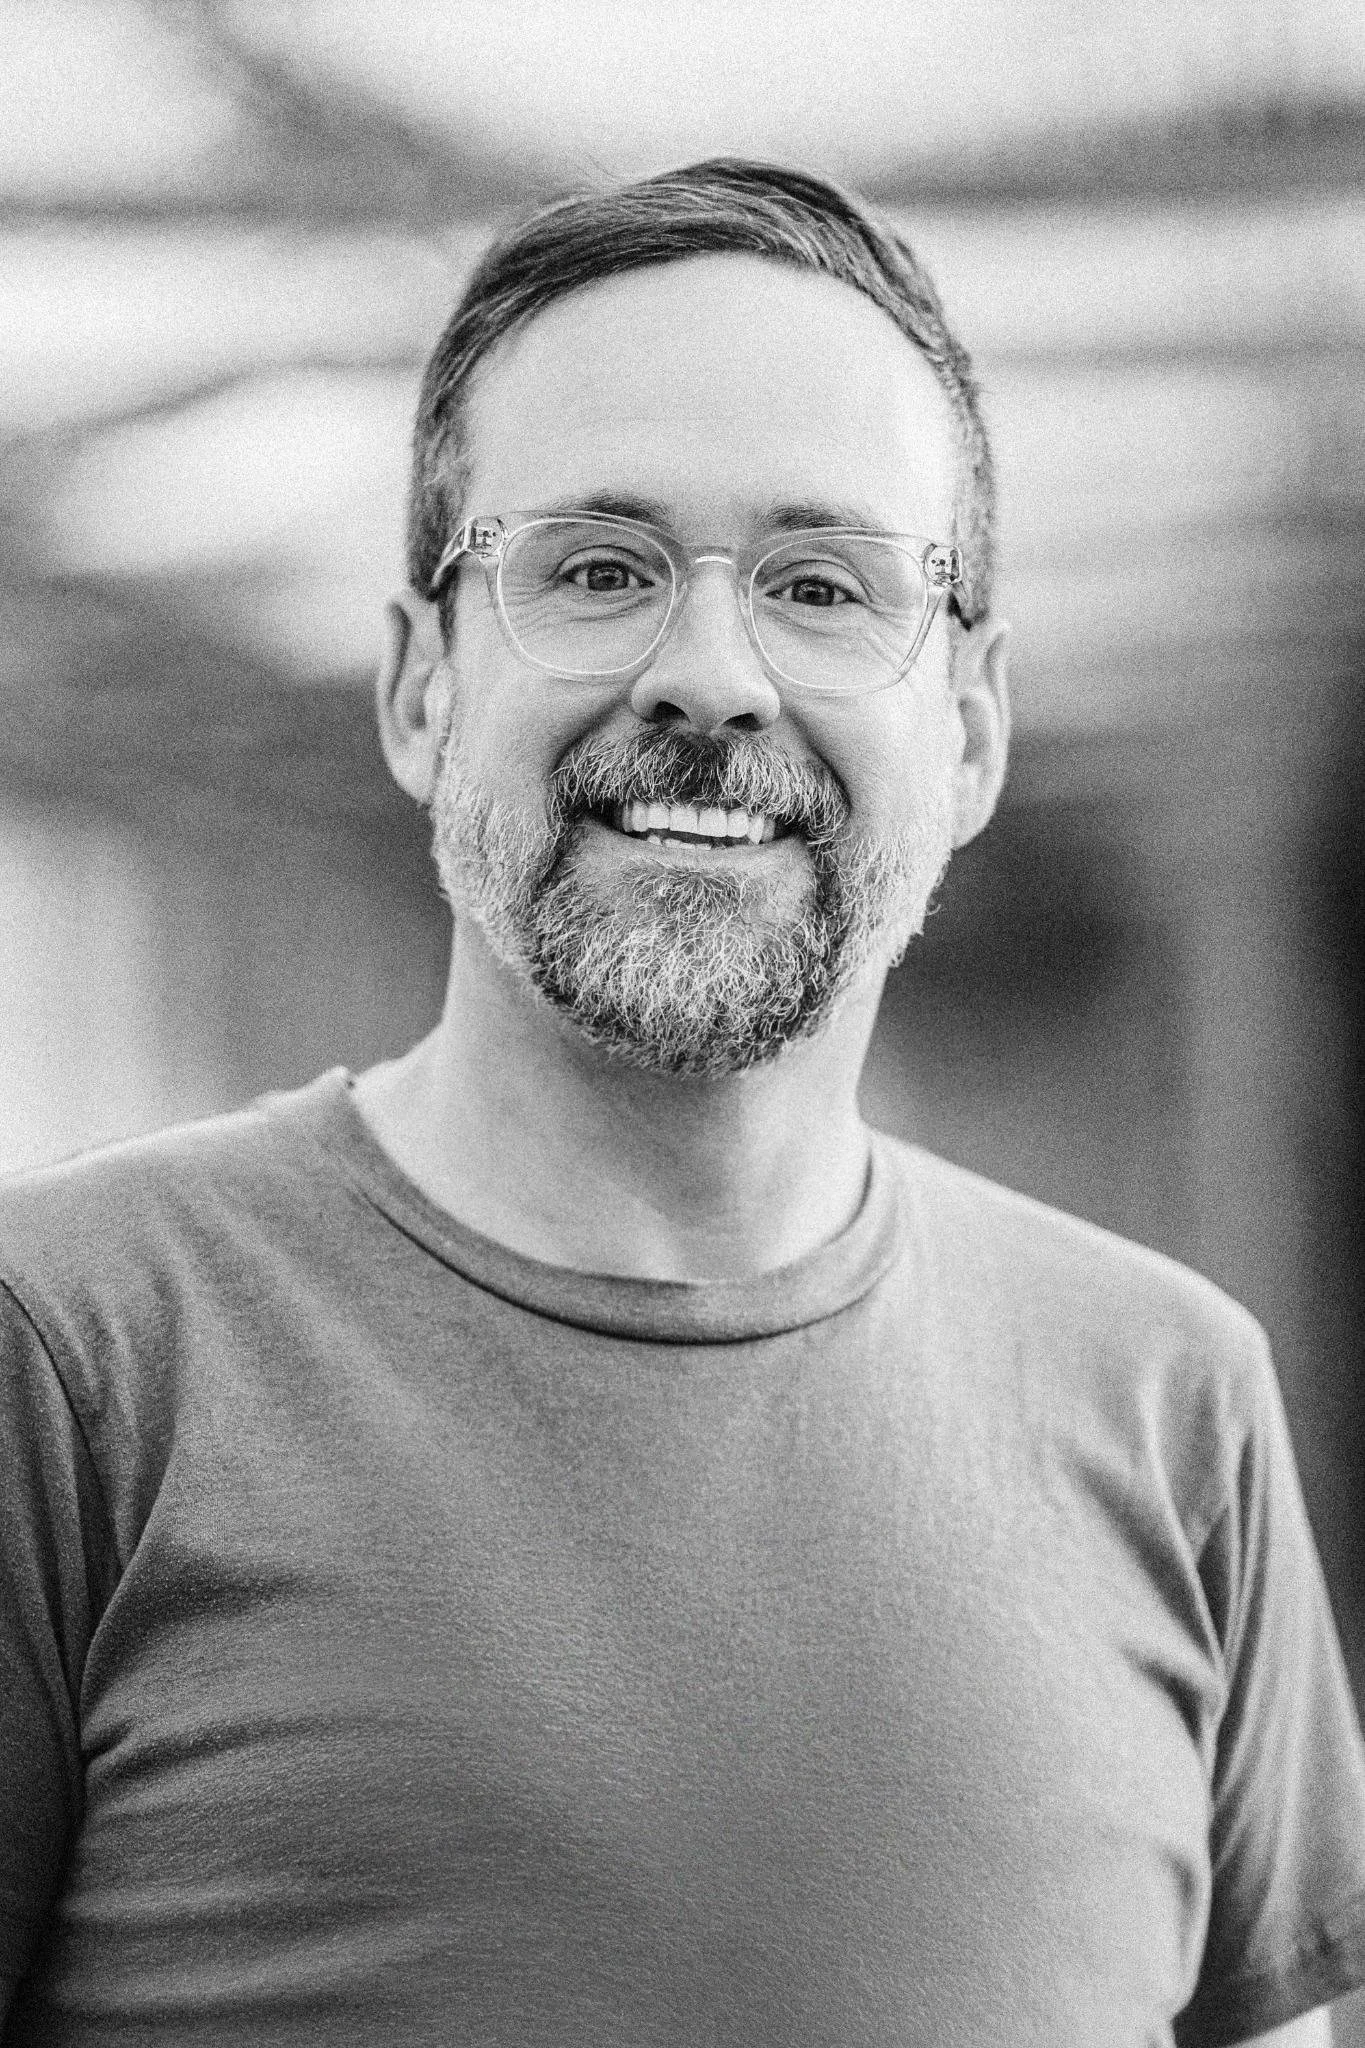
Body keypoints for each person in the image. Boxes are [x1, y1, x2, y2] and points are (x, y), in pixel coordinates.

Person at [1, 159, 1362, 2048]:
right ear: (419, 688)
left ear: (970, 729)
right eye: (597, 570)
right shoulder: (72, 1356)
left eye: (822, 586)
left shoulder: (1173, 1405)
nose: (712, 680)